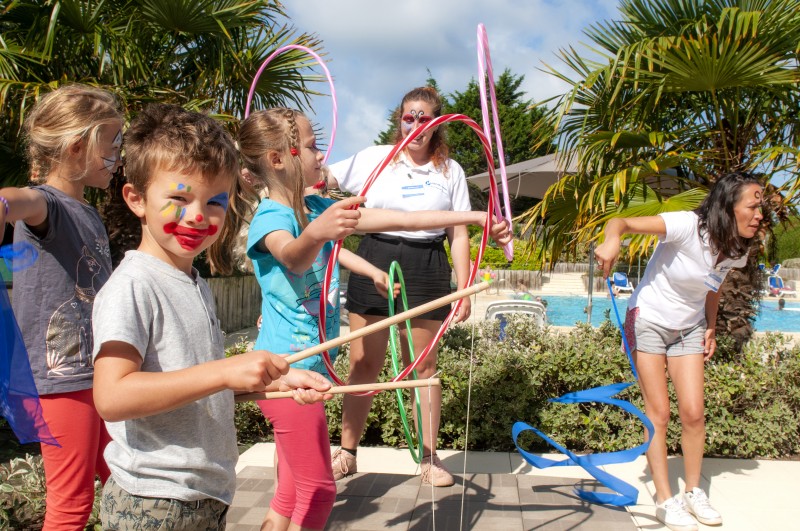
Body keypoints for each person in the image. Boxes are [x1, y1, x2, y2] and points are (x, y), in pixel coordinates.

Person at [237, 107, 509, 530]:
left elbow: (405, 218)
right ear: (279, 158)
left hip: (309, 369)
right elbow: (292, 257)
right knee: (319, 489)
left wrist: (474, 216)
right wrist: (318, 230)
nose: (320, 156)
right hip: (282, 372)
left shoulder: (312, 206)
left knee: (290, 493)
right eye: (310, 146)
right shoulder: (273, 217)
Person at [91, 104, 332, 530]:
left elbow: (193, 385)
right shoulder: (133, 285)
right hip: (154, 503)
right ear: (136, 199)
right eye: (179, 198)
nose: (199, 215)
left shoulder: (194, 282)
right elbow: (112, 397)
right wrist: (225, 371)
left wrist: (274, 382)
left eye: (215, 201)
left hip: (202, 498)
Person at [594, 172, 763, 531]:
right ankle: (665, 498)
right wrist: (611, 241)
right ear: (728, 206)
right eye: (753, 204)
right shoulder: (687, 225)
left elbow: (712, 288)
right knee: (659, 413)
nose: (760, 213)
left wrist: (711, 325)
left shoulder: (738, 248)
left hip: (690, 327)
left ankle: (693, 491)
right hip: (649, 321)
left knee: (694, 413)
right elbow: (620, 222)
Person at [326, 86, 474, 487]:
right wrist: (297, 169)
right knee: (364, 364)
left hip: (426, 263)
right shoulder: (377, 158)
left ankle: (428, 458)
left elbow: (457, 231)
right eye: (409, 117)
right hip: (374, 256)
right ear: (399, 121)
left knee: (424, 366)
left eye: (424, 117)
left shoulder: (451, 171)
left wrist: (464, 283)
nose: (416, 124)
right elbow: (324, 178)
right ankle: (348, 453)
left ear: (438, 123)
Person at [0, 84, 122, 530]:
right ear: (77, 147)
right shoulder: (47, 202)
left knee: (126, 479)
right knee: (71, 507)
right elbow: (18, 200)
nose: (117, 157)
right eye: (111, 145)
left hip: (97, 375)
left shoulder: (87, 211)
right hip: (61, 380)